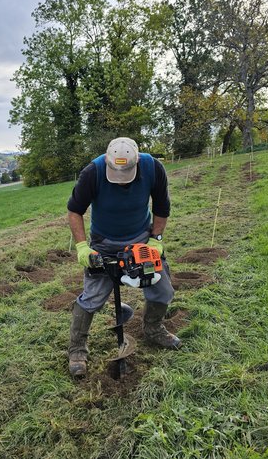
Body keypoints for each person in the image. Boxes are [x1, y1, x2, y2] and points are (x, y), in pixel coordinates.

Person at [66, 137, 180, 377]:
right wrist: (82, 247)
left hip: (140, 240)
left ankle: (153, 328)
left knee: (161, 288)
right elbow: (75, 209)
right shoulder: (93, 172)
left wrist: (155, 240)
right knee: (92, 297)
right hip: (104, 243)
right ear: (108, 162)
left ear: (136, 161)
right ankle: (77, 350)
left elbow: (162, 206)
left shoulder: (153, 168)